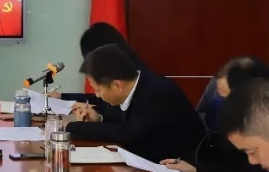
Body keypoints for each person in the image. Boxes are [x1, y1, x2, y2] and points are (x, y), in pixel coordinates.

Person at [162, 57, 269, 172]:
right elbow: (234, 169)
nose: (222, 105)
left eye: (226, 98)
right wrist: (198, 171)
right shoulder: (238, 120)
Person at [66, 44, 204, 163]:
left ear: (117, 86)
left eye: (98, 90)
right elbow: (120, 121)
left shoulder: (155, 93)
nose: (97, 95)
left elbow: (128, 134)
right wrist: (99, 119)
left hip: (185, 168)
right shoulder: (134, 84)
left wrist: (70, 127)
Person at [63, 23, 149, 123]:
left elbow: (124, 127)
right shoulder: (123, 66)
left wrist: (72, 126)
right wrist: (62, 96)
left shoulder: (134, 77)